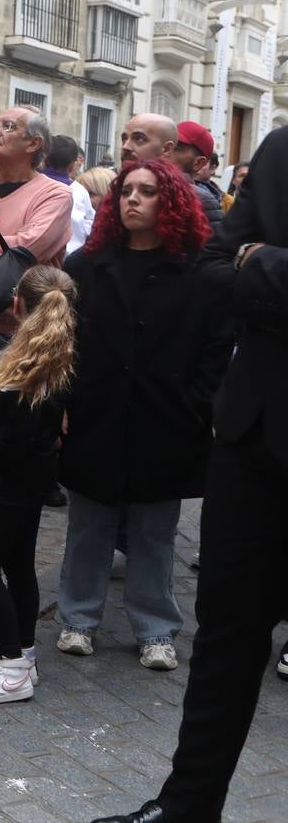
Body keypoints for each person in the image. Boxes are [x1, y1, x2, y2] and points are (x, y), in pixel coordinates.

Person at [95, 126, 288, 823]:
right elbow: (213, 263)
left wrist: (262, 266)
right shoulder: (283, 147)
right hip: (256, 439)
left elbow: (239, 270)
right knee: (224, 641)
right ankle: (186, 808)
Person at [55, 159, 232, 672]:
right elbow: (63, 343)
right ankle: (78, 619)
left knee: (155, 530)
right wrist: (68, 404)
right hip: (97, 411)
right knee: (88, 524)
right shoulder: (87, 265)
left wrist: (195, 402)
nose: (133, 199)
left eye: (147, 191)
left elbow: (217, 347)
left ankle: (156, 628)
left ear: (170, 201)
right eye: (126, 190)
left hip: (166, 418)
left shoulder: (198, 271)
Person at [0, 266, 76, 705]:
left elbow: (18, 435)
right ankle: (22, 652)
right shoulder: (49, 352)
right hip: (25, 479)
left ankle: (13, 668)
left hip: (12, 481)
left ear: (17, 304)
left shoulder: (33, 361)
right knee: (17, 564)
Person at [0, 107, 72, 527]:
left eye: (9, 126)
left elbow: (25, 250)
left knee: (5, 449)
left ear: (34, 143)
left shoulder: (54, 195)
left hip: (18, 338)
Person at [42, 135, 96, 254]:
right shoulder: (80, 191)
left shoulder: (32, 184)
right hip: (72, 255)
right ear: (72, 165)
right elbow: (91, 221)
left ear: (44, 161)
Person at [172, 120, 224, 226]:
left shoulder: (204, 201)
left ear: (198, 163)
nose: (166, 151)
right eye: (166, 144)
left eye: (177, 148)